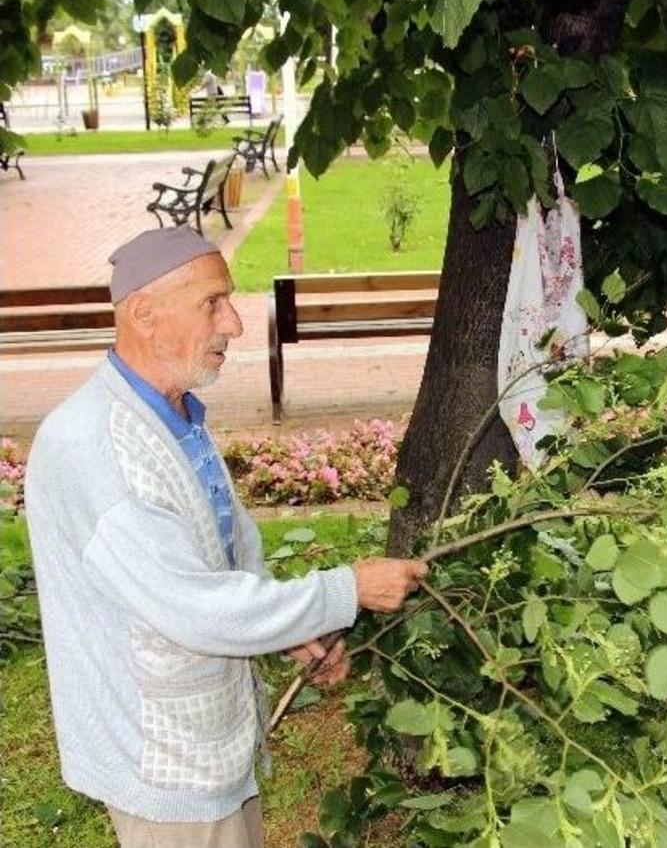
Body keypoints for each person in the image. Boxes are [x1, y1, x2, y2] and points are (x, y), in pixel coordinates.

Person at [24, 225, 429, 848]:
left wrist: (292, 629)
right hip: (163, 760)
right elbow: (196, 607)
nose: (235, 325)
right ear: (144, 315)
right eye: (212, 303)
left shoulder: (173, 413)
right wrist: (345, 591)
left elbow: (222, 552)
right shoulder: (95, 449)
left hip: (206, 740)